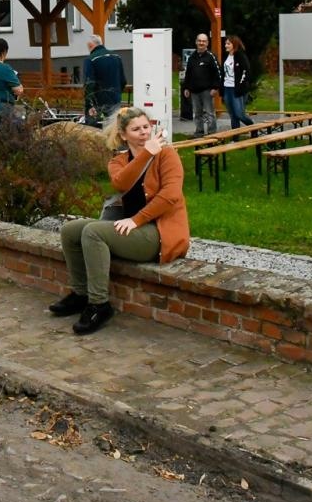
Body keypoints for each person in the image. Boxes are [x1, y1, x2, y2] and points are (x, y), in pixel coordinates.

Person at [50, 106, 190, 335]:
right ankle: (80, 293)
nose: (144, 133)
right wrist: (146, 154)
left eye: (147, 127)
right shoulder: (119, 161)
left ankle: (99, 305)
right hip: (133, 226)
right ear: (124, 135)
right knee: (70, 231)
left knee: (93, 232)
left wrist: (136, 220)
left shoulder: (167, 154)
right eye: (136, 129)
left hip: (159, 234)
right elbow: (121, 184)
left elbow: (171, 196)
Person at [182, 33, 222, 137]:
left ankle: (211, 133)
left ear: (207, 43)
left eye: (203, 41)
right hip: (194, 91)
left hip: (207, 90)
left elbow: (218, 73)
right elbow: (188, 73)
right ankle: (199, 132)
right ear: (196, 42)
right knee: (197, 113)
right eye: (199, 41)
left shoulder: (211, 57)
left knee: (209, 113)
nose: (201, 43)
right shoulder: (192, 57)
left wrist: (215, 87)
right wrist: (186, 87)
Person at [82, 35, 126, 123]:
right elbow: (123, 81)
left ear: (90, 45)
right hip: (115, 99)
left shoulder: (90, 60)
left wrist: (89, 104)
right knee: (113, 127)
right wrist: (117, 94)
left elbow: (89, 83)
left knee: (95, 130)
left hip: (98, 102)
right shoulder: (116, 57)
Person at [221, 34, 255, 130]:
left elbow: (246, 72)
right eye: (225, 43)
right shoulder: (226, 57)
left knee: (239, 113)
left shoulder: (240, 56)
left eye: (228, 44)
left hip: (237, 89)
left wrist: (240, 86)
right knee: (233, 115)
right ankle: (235, 138)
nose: (226, 45)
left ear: (234, 44)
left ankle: (254, 127)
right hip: (227, 88)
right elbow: (223, 72)